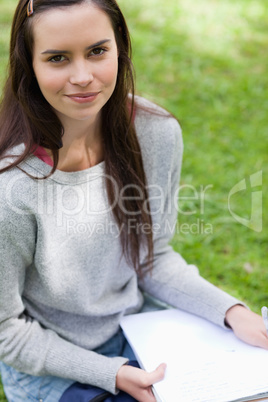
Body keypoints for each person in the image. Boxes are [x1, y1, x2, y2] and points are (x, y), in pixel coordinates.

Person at [0, 0, 267, 401]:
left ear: (120, 47)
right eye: (57, 58)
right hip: (50, 365)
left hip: (135, 331)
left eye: (97, 51)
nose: (83, 76)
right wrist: (113, 373)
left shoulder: (154, 132)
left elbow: (150, 256)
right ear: (29, 66)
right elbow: (7, 332)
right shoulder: (12, 187)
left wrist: (232, 313)